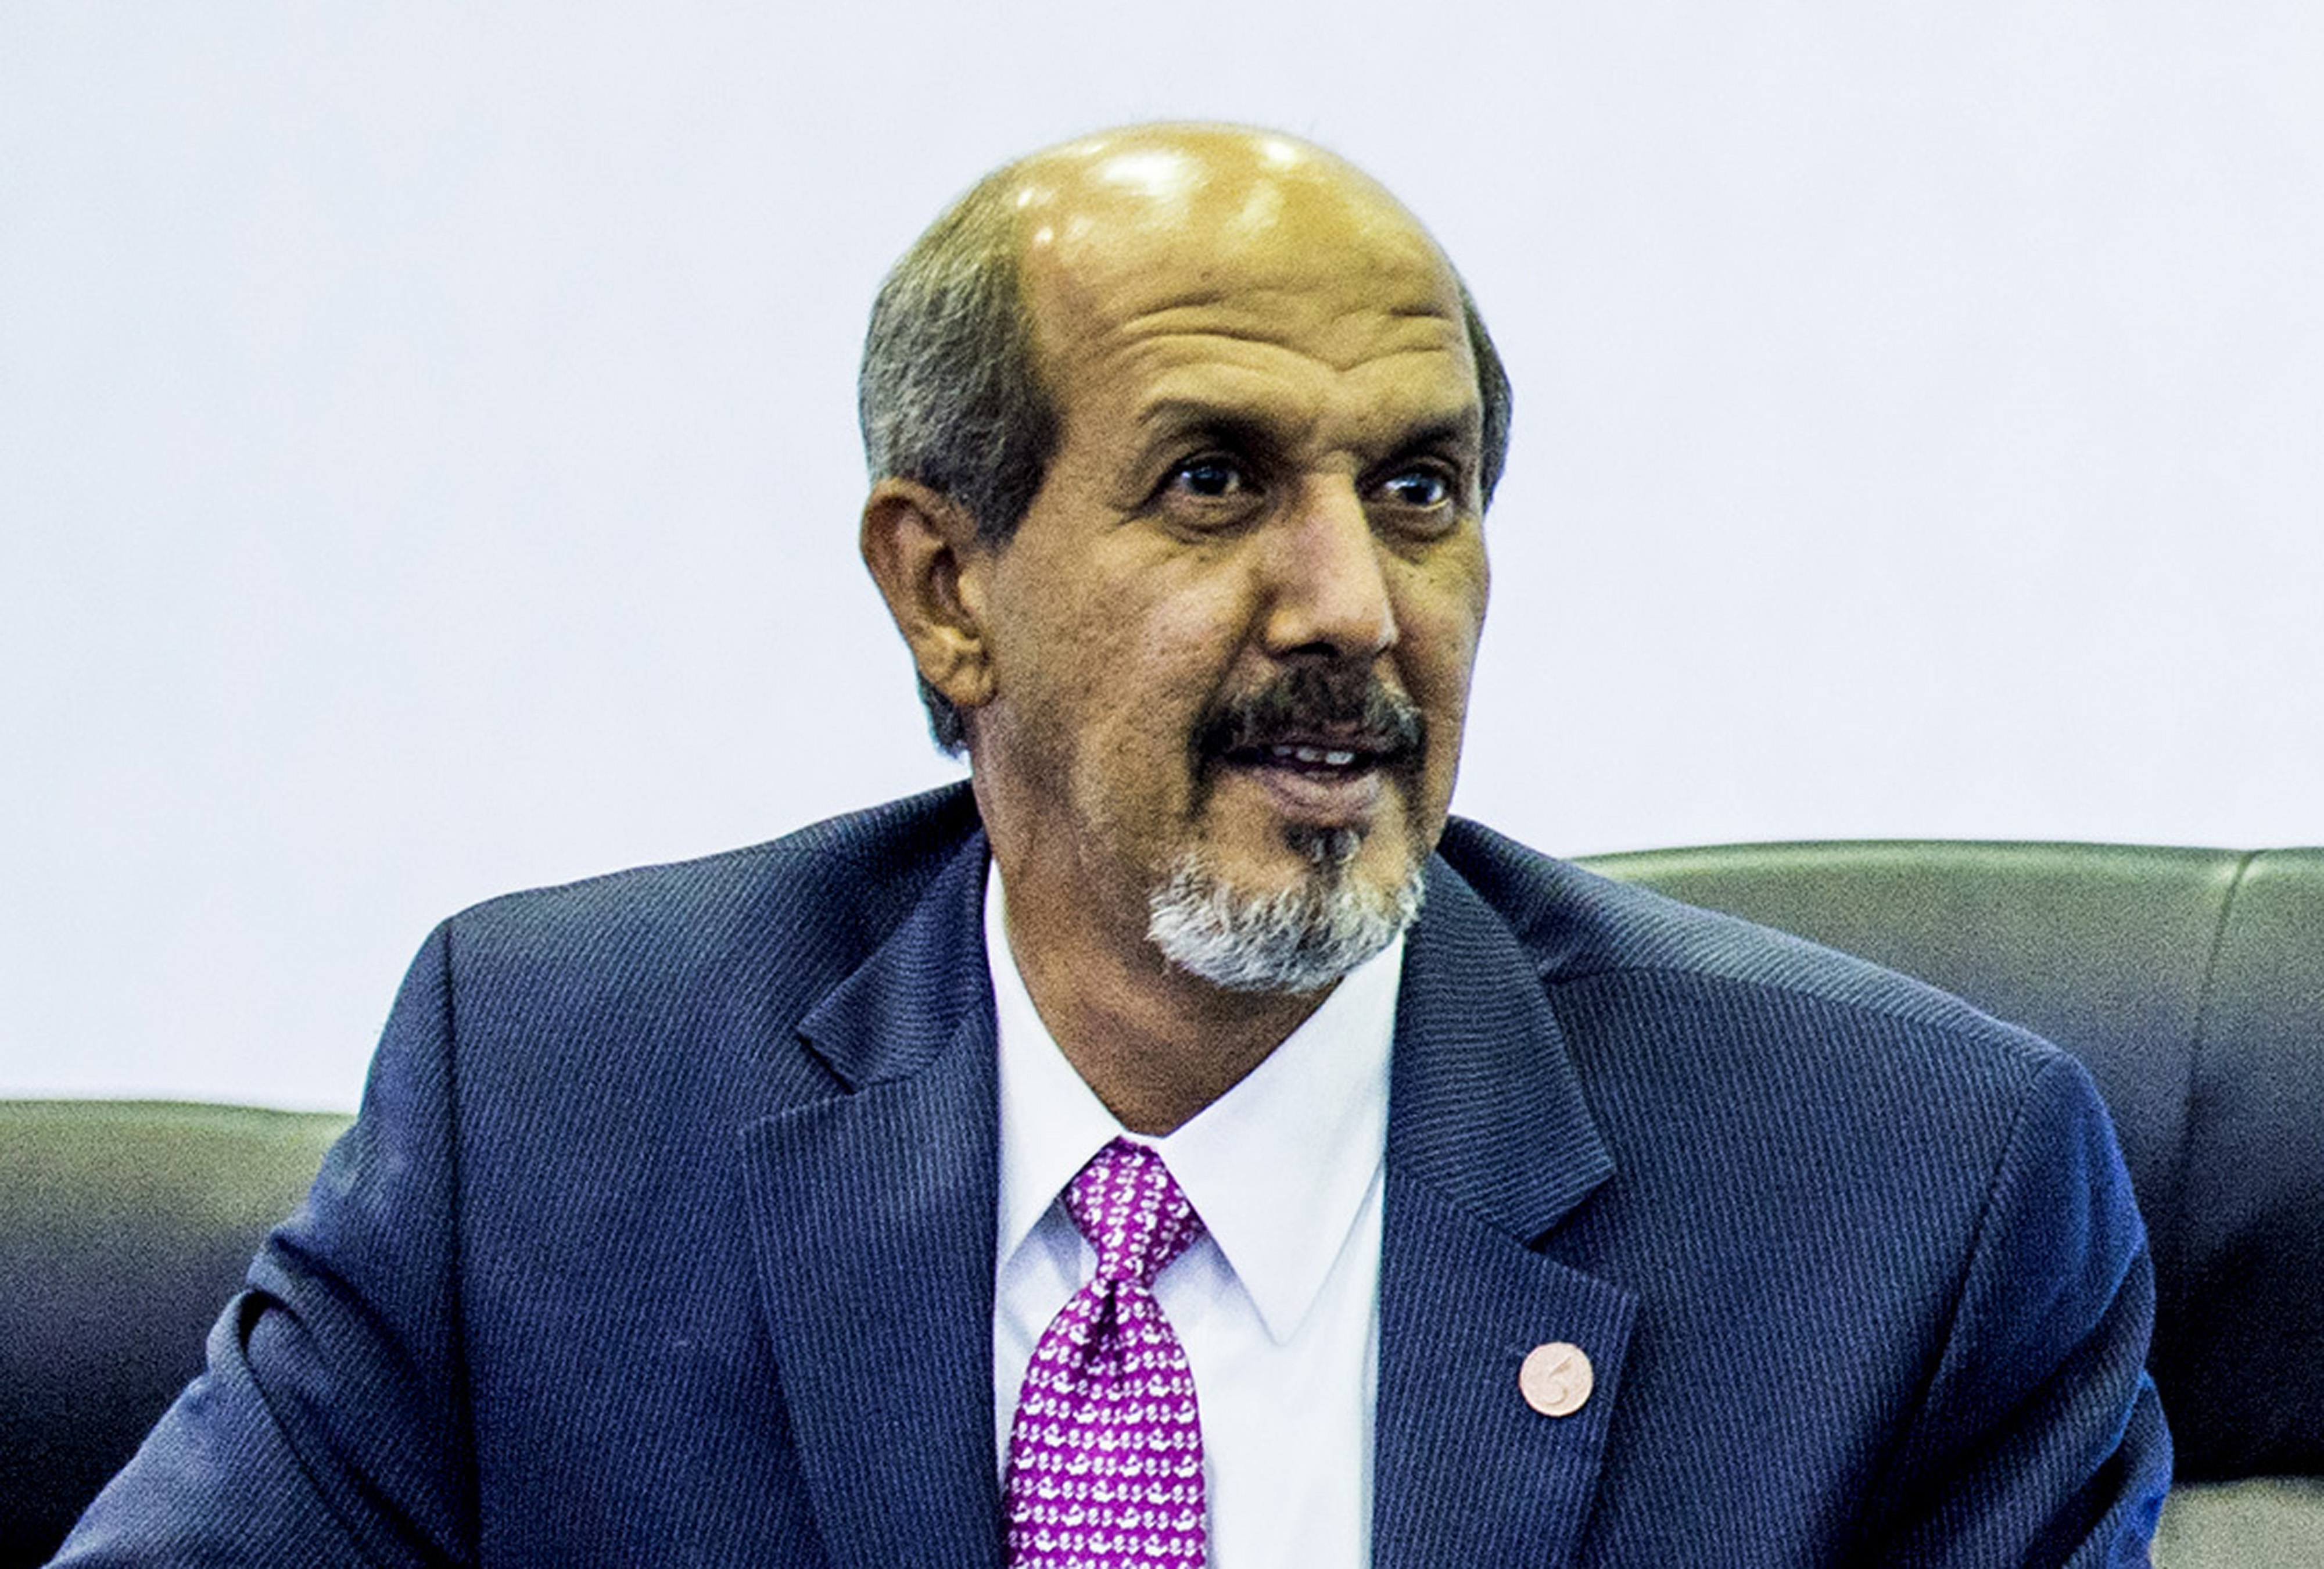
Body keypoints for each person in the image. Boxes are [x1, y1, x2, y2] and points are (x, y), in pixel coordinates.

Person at [55, 123, 2168, 1567]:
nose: (1352, 604)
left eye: (1420, 491)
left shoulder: (1911, 1199)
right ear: (943, 585)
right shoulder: (546, 1095)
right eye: (1216, 483)